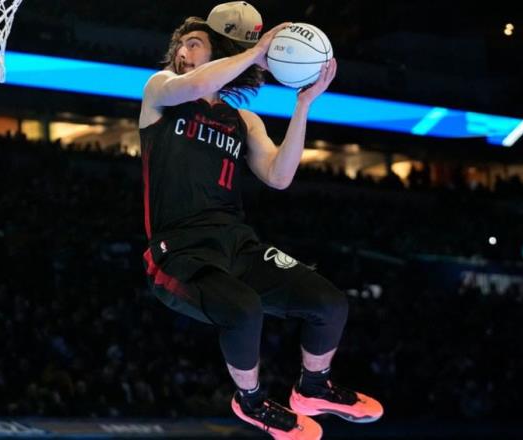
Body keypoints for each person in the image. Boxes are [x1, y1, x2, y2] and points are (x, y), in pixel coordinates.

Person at [138, 2, 382, 438]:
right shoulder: (161, 90)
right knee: (245, 309)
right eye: (179, 45)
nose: (181, 51)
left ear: (219, 52)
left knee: (329, 304)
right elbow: (195, 84)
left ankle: (313, 387)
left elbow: (280, 176)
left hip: (238, 243)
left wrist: (303, 105)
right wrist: (254, 54)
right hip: (178, 252)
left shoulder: (244, 121)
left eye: (194, 44)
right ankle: (250, 401)